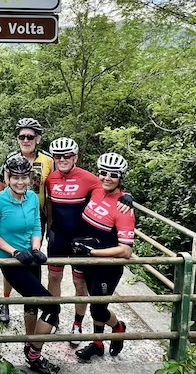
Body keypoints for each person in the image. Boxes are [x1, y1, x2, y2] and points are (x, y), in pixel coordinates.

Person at [0, 155, 60, 374]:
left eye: (24, 177)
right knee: (52, 306)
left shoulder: (31, 198)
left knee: (32, 305)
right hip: (10, 260)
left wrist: (37, 248)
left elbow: (36, 227)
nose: (20, 182)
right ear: (8, 178)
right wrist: (15, 252)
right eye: (15, 178)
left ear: (30, 178)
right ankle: (34, 354)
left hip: (31, 255)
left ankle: (30, 346)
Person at [73, 152, 136, 362]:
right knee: (95, 304)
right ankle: (98, 344)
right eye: (103, 172)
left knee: (99, 309)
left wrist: (92, 252)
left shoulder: (124, 208)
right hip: (90, 261)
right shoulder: (97, 192)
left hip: (107, 266)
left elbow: (126, 250)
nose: (107, 177)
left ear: (121, 178)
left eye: (113, 174)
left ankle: (118, 328)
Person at [45, 137, 101, 346]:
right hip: (58, 236)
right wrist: (47, 230)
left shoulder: (89, 179)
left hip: (80, 239)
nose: (63, 159)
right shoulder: (51, 179)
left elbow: (109, 193)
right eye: (58, 156)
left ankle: (77, 324)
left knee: (79, 282)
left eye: (67, 155)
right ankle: (53, 315)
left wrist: (125, 198)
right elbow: (49, 206)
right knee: (53, 278)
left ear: (76, 156)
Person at [0, 117, 54, 324]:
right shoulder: (10, 158)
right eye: (21, 136)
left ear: (38, 139)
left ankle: (32, 303)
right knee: (13, 260)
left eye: (30, 136)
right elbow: (1, 186)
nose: (26, 140)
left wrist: (51, 221)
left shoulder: (48, 160)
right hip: (11, 214)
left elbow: (51, 191)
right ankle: (5, 301)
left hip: (35, 216)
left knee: (32, 260)